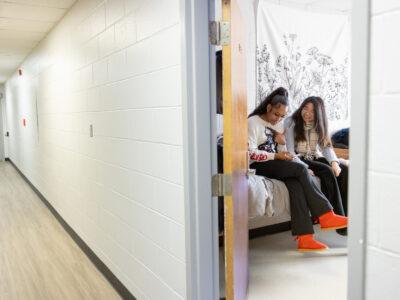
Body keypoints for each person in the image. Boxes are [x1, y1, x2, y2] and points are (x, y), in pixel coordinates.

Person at [248, 87, 347, 251]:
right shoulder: (253, 122)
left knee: (295, 183)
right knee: (300, 171)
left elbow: (283, 152)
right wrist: (280, 158)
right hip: (258, 165)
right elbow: (250, 154)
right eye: (276, 114)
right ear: (268, 108)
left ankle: (305, 238)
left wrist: (281, 144)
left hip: (276, 162)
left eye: (282, 116)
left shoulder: (279, 124)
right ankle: (326, 216)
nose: (278, 119)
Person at [284, 96, 349, 235]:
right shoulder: (291, 122)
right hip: (299, 158)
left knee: (344, 170)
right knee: (326, 171)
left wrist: (335, 162)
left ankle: (347, 218)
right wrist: (304, 167)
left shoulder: (319, 125)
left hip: (314, 156)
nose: (307, 113)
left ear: (319, 114)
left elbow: (326, 147)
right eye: (305, 108)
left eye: (312, 111)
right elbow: (289, 151)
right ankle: (340, 225)